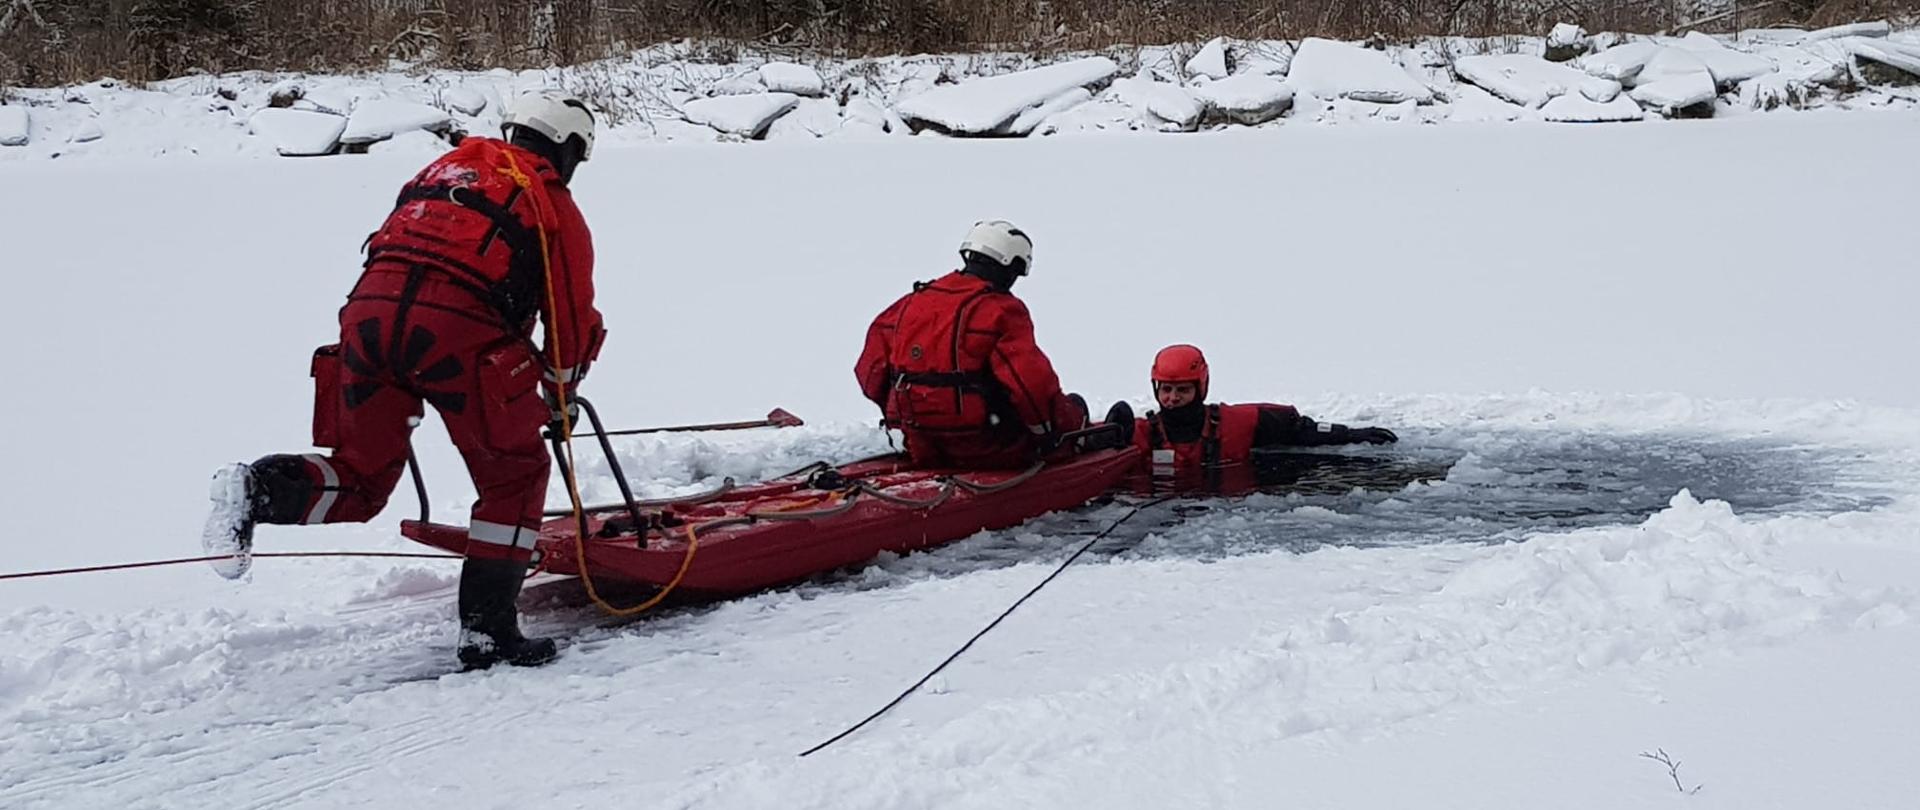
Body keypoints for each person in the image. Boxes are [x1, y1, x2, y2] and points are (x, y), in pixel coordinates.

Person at [201, 92, 605, 671]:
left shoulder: (443, 171)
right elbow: (570, 313)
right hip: (459, 335)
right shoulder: (550, 201)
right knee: (514, 477)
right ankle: (488, 633)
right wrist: (560, 394)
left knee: (362, 478)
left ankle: (258, 488)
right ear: (567, 149)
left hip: (366, 322)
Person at [855, 220, 1089, 469]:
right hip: (985, 445)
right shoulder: (1002, 310)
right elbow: (1030, 385)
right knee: (1075, 409)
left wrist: (900, 419)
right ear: (1009, 265)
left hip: (917, 443)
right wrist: (1052, 434)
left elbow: (869, 371)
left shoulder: (910, 302)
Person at [1127, 344, 1397, 485]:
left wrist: (1349, 434)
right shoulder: (1138, 431)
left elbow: (1298, 430)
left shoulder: (1237, 423)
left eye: (1183, 390)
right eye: (1167, 389)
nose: (1173, 398)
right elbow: (1094, 438)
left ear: (1201, 387)